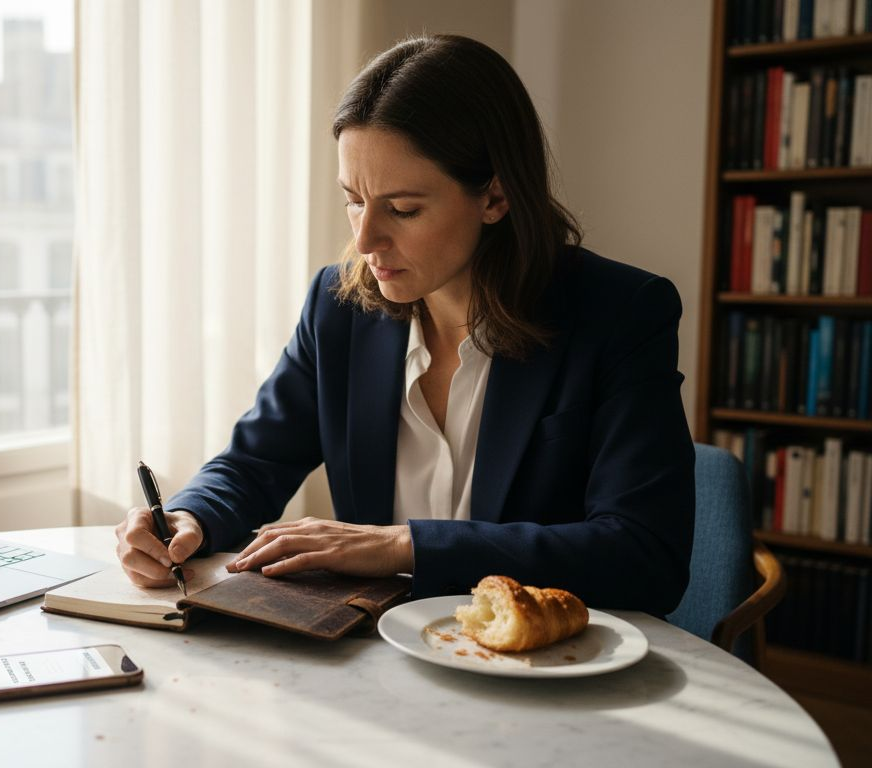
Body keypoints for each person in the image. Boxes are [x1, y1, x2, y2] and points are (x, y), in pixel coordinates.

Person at [114, 33, 694, 615]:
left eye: (403, 209)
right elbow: (255, 461)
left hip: (541, 673)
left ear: (494, 196)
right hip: (373, 660)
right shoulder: (338, 307)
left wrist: (402, 544)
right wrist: (188, 516)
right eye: (354, 200)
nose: (365, 240)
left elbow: (645, 556)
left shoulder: (621, 313)